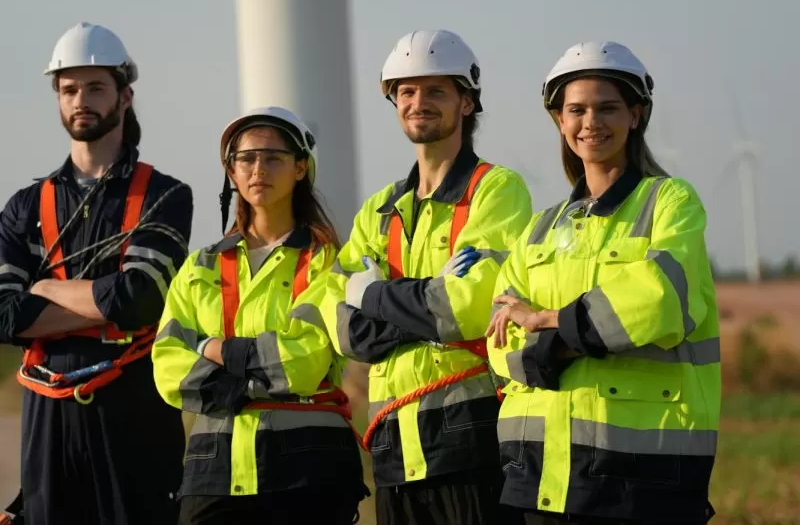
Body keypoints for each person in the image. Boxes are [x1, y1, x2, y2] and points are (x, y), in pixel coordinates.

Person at [486, 41, 720, 525]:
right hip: (540, 477)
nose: (591, 122)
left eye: (608, 108)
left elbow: (659, 300)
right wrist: (575, 340)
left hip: (641, 476)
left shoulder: (670, 202)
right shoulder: (540, 227)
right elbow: (500, 337)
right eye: (576, 110)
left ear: (636, 115)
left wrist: (549, 322)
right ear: (560, 121)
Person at [322, 30, 533, 525]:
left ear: (467, 102)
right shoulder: (379, 208)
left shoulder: (497, 190)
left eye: (436, 91)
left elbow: (468, 308)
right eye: (407, 91)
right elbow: (344, 330)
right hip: (393, 444)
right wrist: (425, 297)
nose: (418, 103)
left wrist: (370, 293)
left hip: (474, 434)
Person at [0, 22, 194, 525]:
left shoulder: (166, 195)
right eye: (69, 89)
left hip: (134, 412)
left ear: (125, 95)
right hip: (46, 419)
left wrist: (43, 290)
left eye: (95, 87)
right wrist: (101, 306)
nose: (80, 98)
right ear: (57, 98)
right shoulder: (25, 206)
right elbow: (2, 316)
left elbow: (141, 300)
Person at [152, 106, 367, 525]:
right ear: (231, 172)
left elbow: (303, 363)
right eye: (245, 159)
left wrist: (209, 348)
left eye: (273, 157)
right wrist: (251, 379)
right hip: (213, 472)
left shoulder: (327, 263)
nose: (257, 169)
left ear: (301, 168)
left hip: (308, 468)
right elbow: (165, 366)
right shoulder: (200, 267)